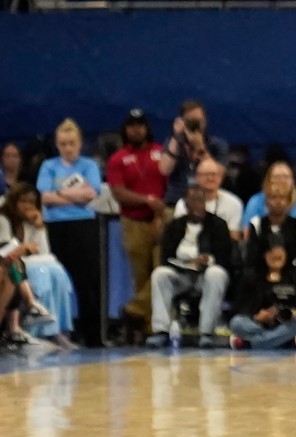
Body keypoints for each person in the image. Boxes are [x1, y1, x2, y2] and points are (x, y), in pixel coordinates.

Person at [35, 118, 102, 347]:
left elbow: (91, 194)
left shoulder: (88, 166)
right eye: (63, 144)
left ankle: (91, 334)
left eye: (72, 143)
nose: (68, 148)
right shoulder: (49, 166)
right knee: (56, 278)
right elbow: (45, 197)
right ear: (57, 144)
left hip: (83, 226)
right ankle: (57, 330)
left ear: (80, 143)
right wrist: (74, 195)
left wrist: (59, 194)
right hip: (56, 227)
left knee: (86, 281)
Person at [146, 185, 235, 349]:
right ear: (185, 204)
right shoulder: (174, 226)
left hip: (206, 276)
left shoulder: (218, 225)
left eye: (200, 201)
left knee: (216, 274)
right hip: (182, 276)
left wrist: (208, 260)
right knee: (160, 274)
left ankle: (206, 332)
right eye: (192, 201)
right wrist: (184, 264)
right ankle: (160, 330)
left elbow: (226, 259)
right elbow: (165, 257)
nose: (197, 205)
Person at [105, 108, 167, 329]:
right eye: (132, 126)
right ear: (125, 129)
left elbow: (170, 184)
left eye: (140, 125)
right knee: (140, 276)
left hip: (160, 219)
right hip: (133, 222)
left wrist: (159, 210)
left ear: (147, 128)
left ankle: (134, 309)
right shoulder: (118, 159)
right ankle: (150, 329)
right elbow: (118, 192)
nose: (136, 129)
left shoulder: (161, 152)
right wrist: (146, 200)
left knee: (163, 271)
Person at [0, 183, 78, 348]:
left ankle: (60, 330)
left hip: (30, 261)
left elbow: (43, 252)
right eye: (23, 201)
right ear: (14, 202)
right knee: (41, 272)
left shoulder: (32, 220)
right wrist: (23, 249)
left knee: (58, 272)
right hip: (14, 262)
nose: (27, 206)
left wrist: (39, 227)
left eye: (31, 202)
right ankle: (42, 329)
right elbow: (5, 251)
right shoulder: (4, 219)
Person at [228, 239, 296, 350]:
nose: (276, 256)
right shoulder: (251, 277)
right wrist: (256, 316)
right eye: (272, 253)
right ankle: (282, 341)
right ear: (264, 256)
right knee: (237, 322)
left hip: (285, 324)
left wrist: (293, 312)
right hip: (257, 324)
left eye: (280, 254)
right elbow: (240, 305)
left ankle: (250, 343)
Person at [159, 99, 229, 210]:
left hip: (207, 203)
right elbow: (164, 170)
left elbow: (218, 174)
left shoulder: (217, 145)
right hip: (176, 202)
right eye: (191, 121)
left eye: (199, 121)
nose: (196, 125)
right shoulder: (173, 143)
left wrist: (200, 147)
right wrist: (176, 137)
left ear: (205, 121)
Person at [240, 161, 296, 241]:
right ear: (268, 180)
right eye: (277, 176)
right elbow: (248, 236)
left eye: (286, 177)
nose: (281, 180)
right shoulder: (256, 201)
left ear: (293, 181)